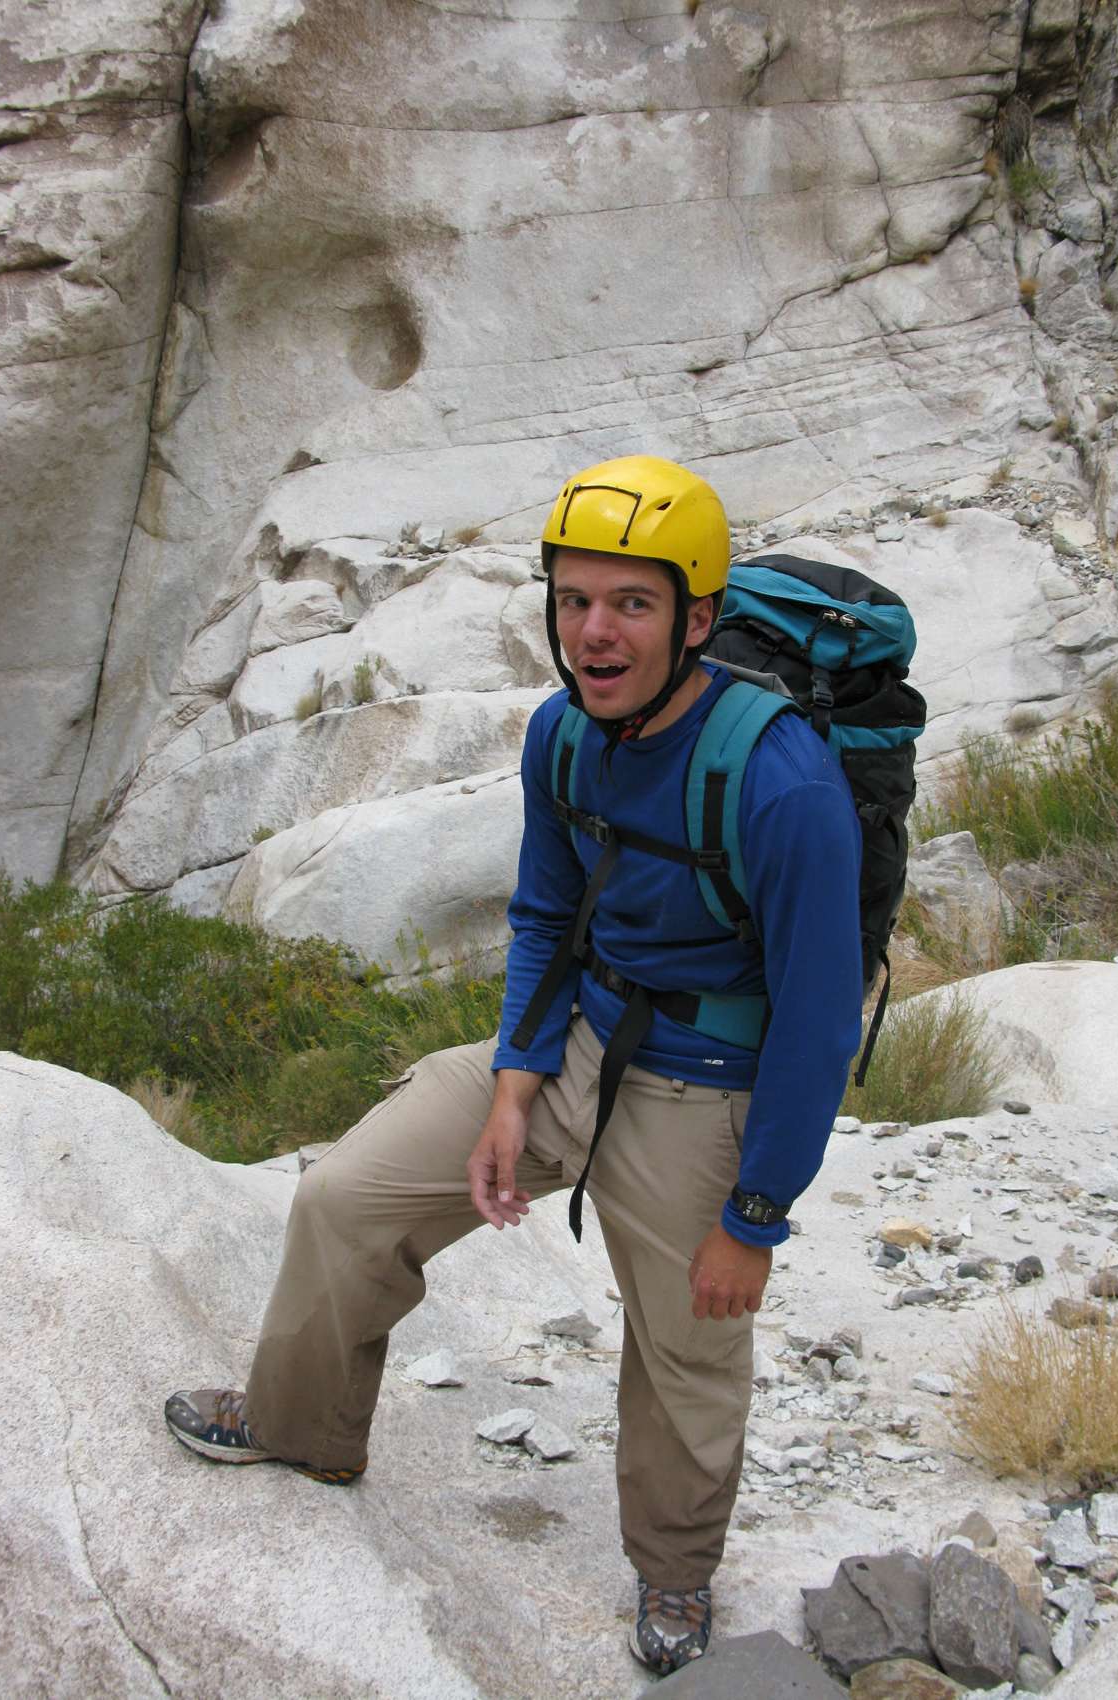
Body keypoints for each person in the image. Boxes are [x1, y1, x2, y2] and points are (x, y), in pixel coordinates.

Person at [164, 454, 863, 1675]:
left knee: (688, 1348)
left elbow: (816, 1020)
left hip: (709, 1080)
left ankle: (674, 1571)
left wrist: (753, 1216)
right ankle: (301, 1423)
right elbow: (545, 916)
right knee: (346, 1195)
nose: (594, 632)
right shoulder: (563, 734)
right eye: (575, 599)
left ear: (697, 619)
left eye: (632, 603)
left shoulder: (779, 778)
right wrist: (512, 1088)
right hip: (581, 1038)